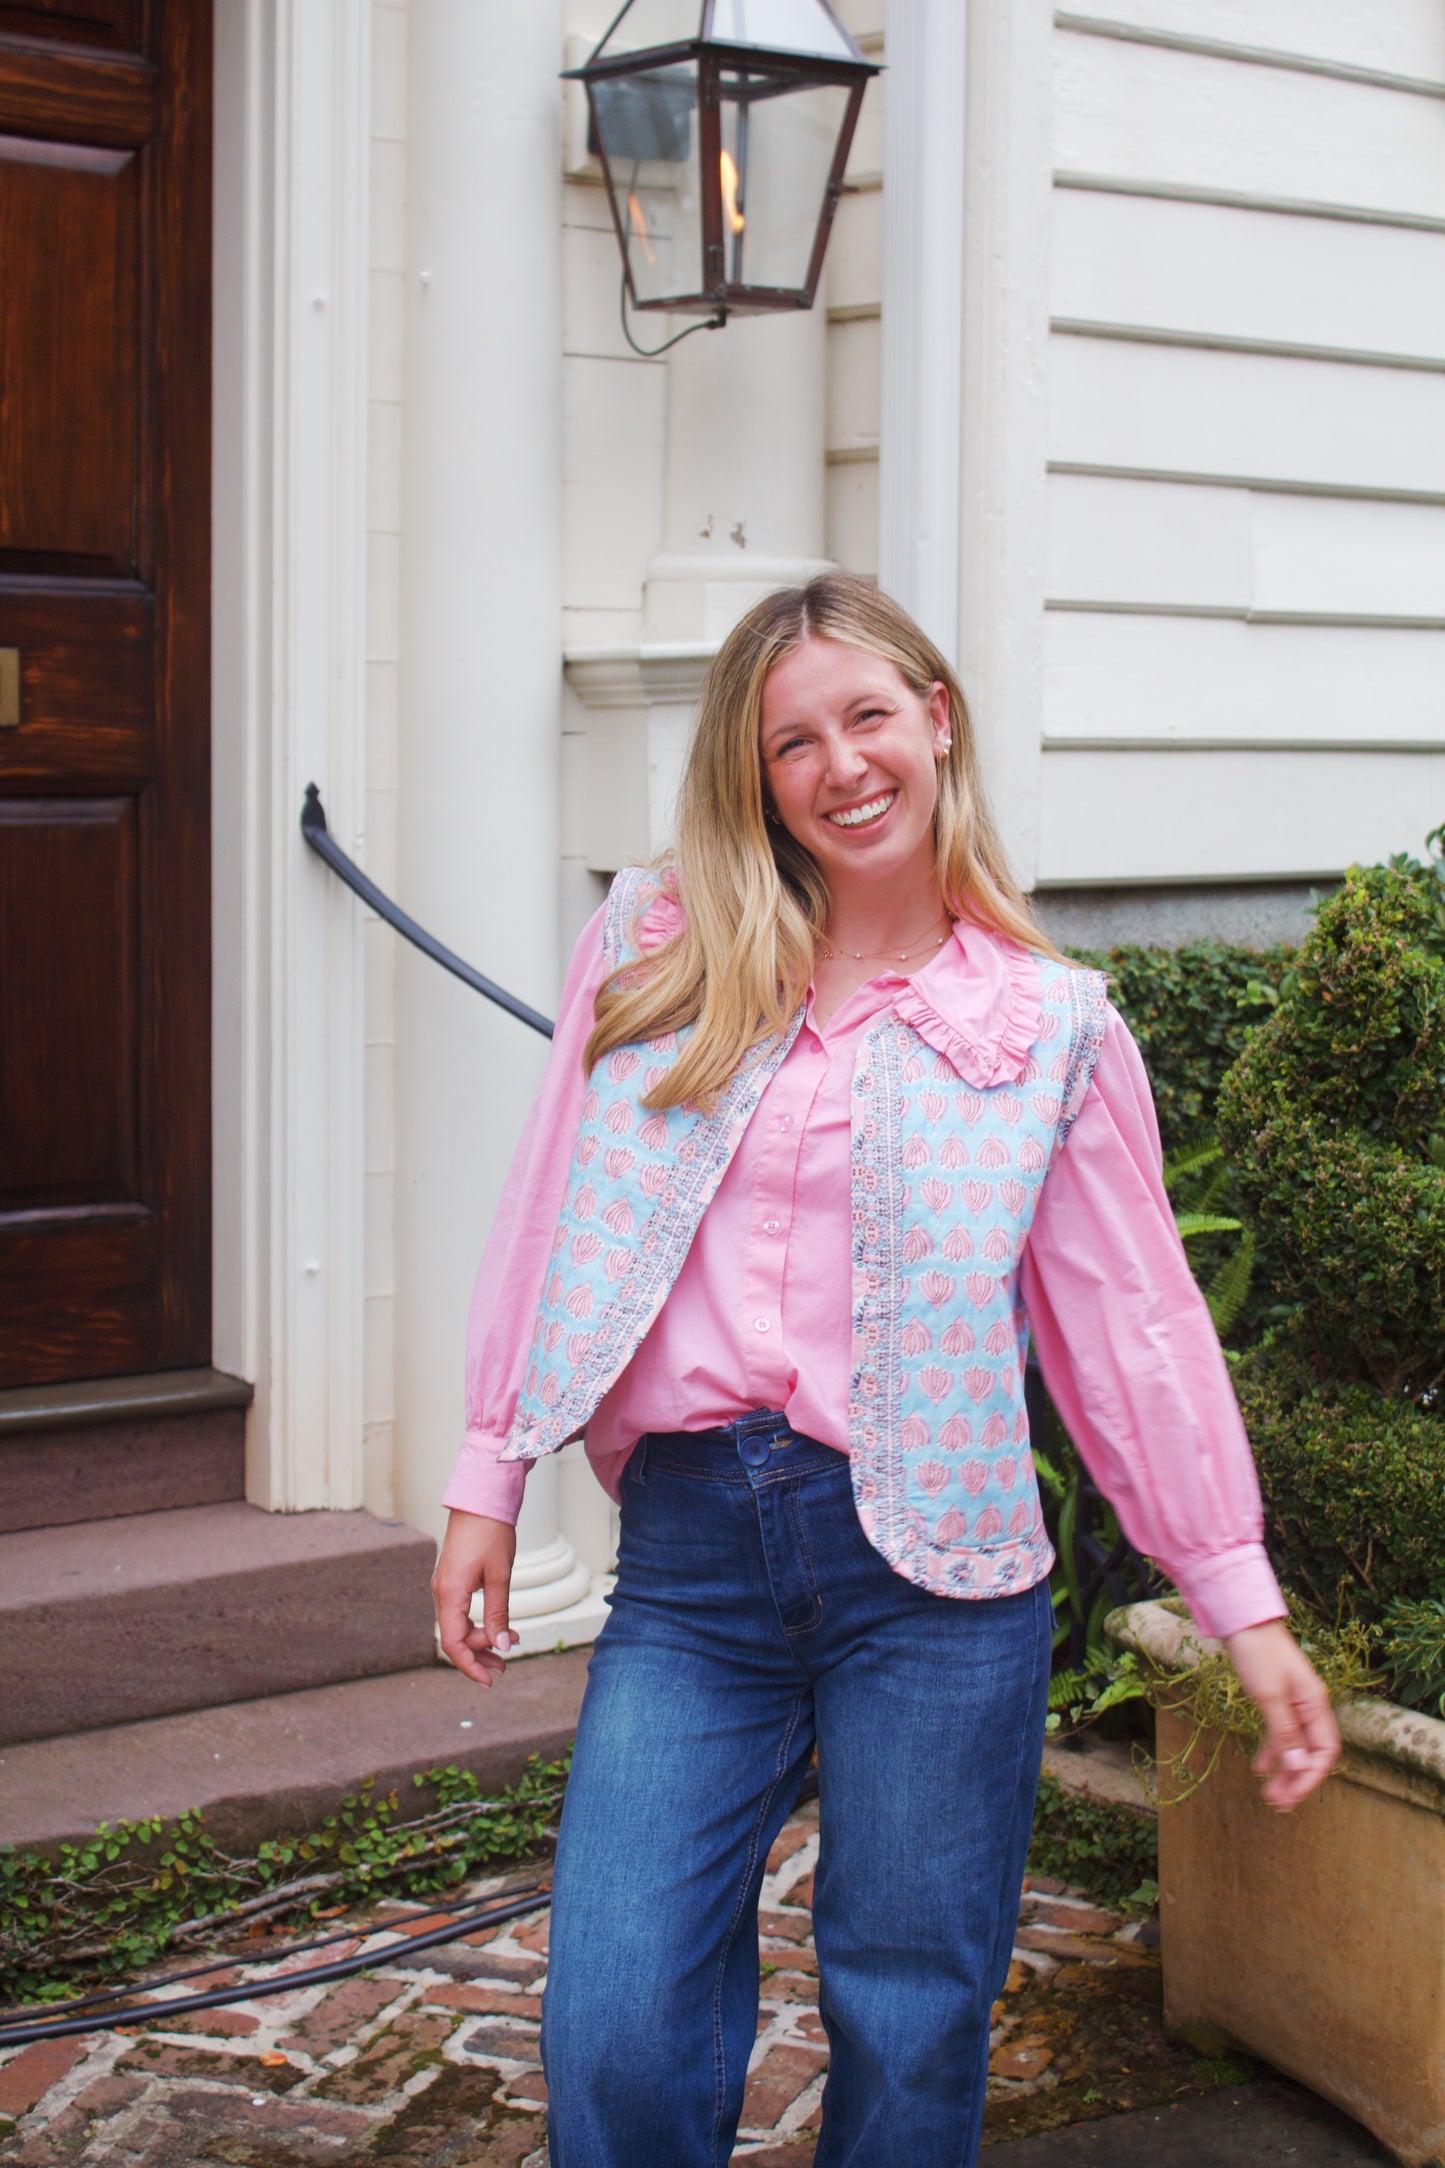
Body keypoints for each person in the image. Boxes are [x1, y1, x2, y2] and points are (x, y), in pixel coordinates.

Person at [431, 575, 1340, 2168]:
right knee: (620, 2017)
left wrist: (1234, 1600)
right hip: (697, 1575)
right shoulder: (657, 948)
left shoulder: (1046, 1026)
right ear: (753, 772)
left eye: (867, 716)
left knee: (911, 2018)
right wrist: (488, 1470)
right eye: (794, 740)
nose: (841, 765)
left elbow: (1132, 1329)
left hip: (939, 1588)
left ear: (936, 721)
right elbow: (544, 1206)